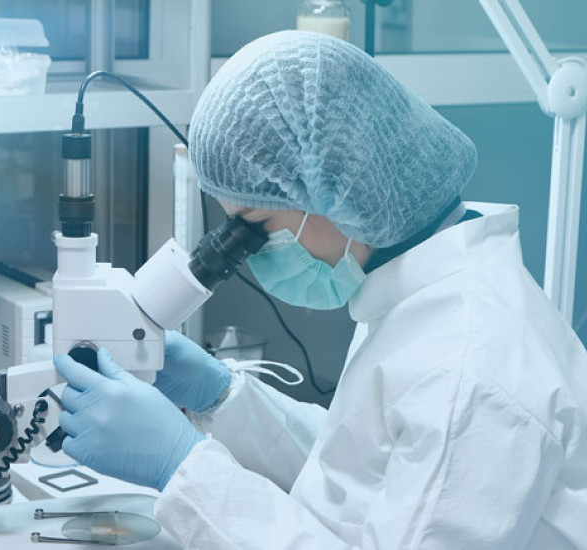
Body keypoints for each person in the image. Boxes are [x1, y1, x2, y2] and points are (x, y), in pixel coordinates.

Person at [54, 31, 587, 549]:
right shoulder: (420, 297)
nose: (252, 252)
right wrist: (223, 397)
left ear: (336, 180)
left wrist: (182, 467)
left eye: (253, 226)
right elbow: (357, 476)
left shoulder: (470, 371)